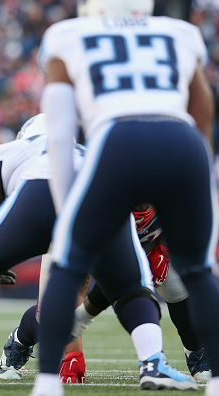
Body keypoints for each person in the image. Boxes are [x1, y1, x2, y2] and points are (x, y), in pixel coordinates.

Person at [32, 0, 219, 395]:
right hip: (181, 140)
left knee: (67, 264)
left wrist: (66, 210)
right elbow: (203, 112)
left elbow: (61, 133)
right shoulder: (178, 32)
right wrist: (200, 182)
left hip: (118, 139)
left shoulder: (68, 36)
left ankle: (48, 381)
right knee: (199, 269)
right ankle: (217, 379)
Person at [0, 114, 91, 388]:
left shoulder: (11, 150)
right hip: (72, 220)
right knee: (124, 286)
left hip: (52, 213)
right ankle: (152, 359)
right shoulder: (88, 156)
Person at [71, 204, 211, 382]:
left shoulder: (167, 187)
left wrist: (163, 250)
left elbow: (183, 223)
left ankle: (196, 353)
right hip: (115, 250)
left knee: (175, 285)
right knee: (68, 310)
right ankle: (24, 340)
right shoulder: (110, 195)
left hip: (154, 243)